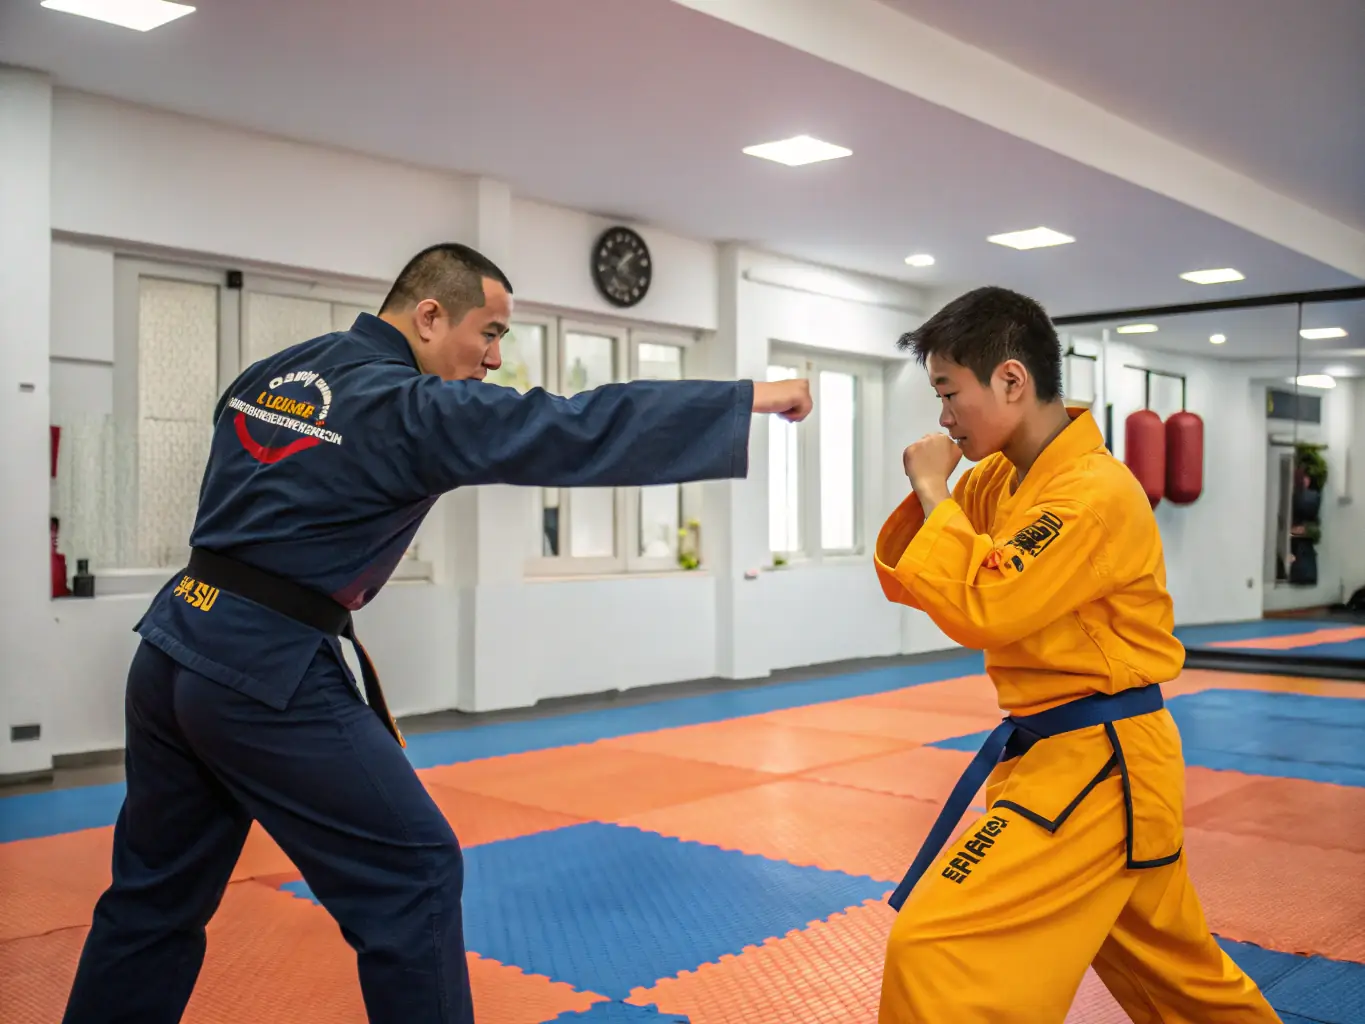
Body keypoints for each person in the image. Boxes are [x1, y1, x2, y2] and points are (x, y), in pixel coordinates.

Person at [61, 242, 813, 1024]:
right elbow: (569, 425)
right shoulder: (408, 408)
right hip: (261, 668)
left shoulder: (279, 372)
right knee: (414, 871)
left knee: (153, 898)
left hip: (173, 644)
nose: (492, 359)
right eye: (487, 334)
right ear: (428, 315)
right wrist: (745, 397)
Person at [873, 287, 1279, 1022]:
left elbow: (984, 604)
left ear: (1009, 380)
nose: (941, 416)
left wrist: (933, 485)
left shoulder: (1089, 492)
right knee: (1177, 979)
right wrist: (939, 498)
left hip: (1098, 763)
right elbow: (930, 577)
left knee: (935, 947)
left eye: (947, 390)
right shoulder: (1002, 476)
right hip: (1072, 760)